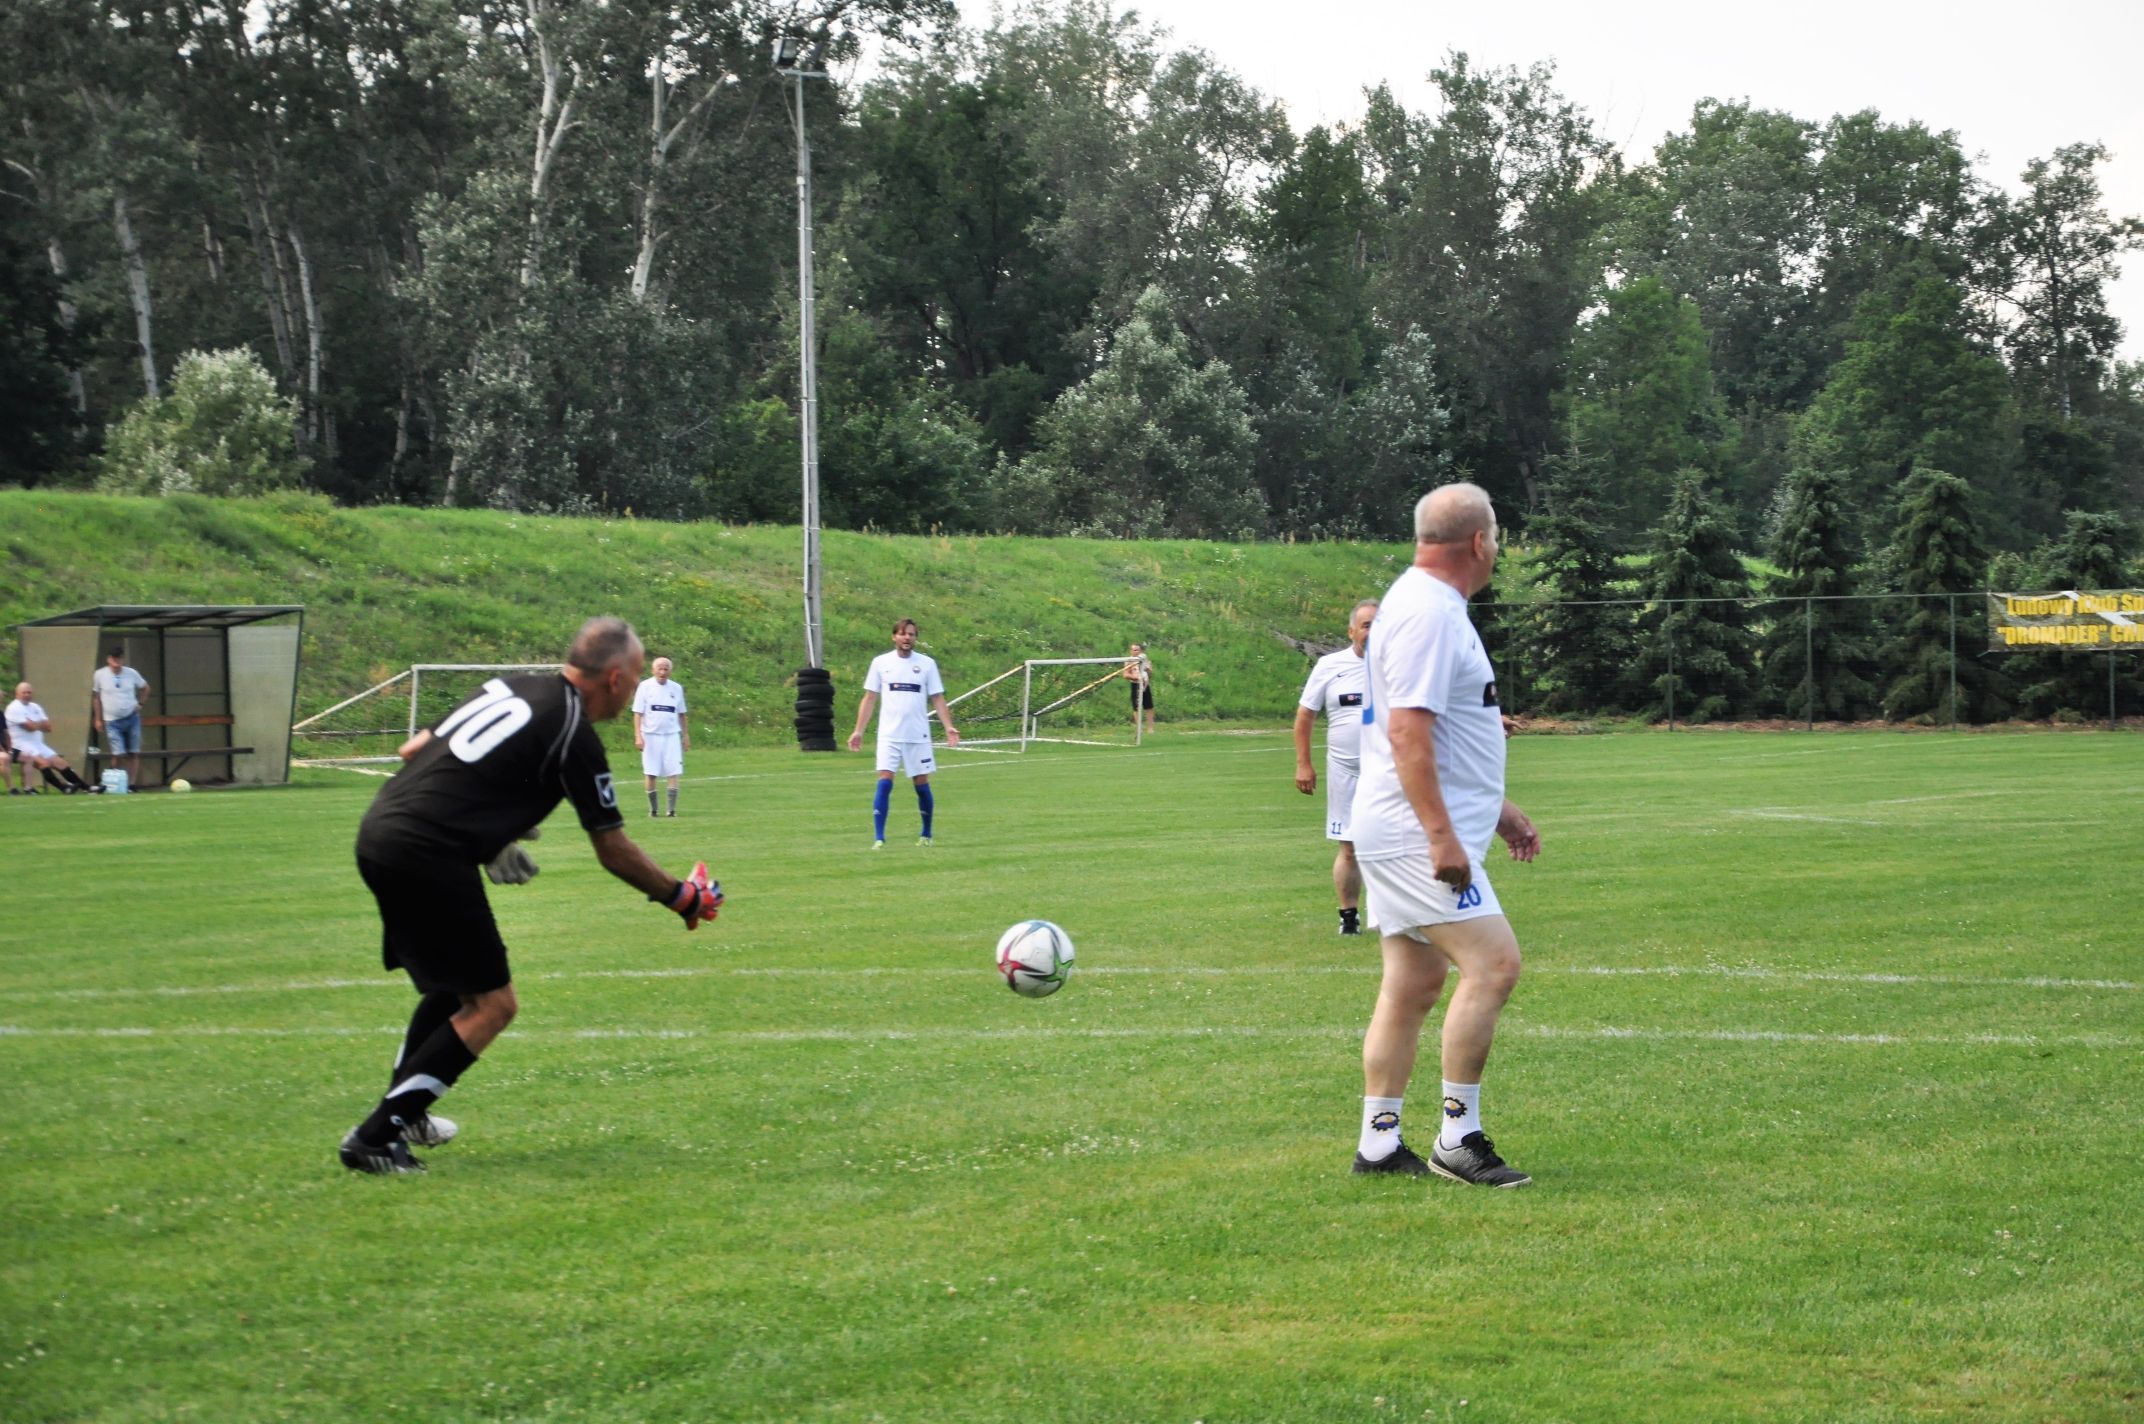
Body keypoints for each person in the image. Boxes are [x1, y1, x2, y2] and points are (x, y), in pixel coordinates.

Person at [339, 617, 723, 1175]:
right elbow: (613, 849)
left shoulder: (510, 684)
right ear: (615, 678)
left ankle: (409, 1114)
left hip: (381, 830)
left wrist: (485, 832)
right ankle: (373, 1140)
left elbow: (412, 748)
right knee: (494, 1005)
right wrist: (681, 898)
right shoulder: (574, 731)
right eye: (638, 677)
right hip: (428, 852)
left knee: (456, 987)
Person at [1348, 483, 1542, 1188]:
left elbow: (1450, 737)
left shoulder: (1418, 602)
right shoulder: (1430, 612)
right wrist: (1441, 837)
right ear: (1481, 542)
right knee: (1493, 966)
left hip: (1404, 823)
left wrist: (1499, 809)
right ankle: (1458, 1138)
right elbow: (1408, 731)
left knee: (1413, 982)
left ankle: (1378, 1143)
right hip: (1412, 832)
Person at [1294, 600, 1379, 936]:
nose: (1374, 631)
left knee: (1399, 842)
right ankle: (1349, 917)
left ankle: (1398, 914)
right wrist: (1304, 764)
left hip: (1392, 770)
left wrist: (1489, 720)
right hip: (1346, 770)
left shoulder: (1399, 665)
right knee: (1350, 845)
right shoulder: (1330, 666)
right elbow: (1305, 716)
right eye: (1367, 625)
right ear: (1352, 631)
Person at [847, 618, 960, 848]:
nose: (907, 638)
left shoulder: (927, 664)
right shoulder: (880, 663)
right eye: (902, 634)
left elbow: (937, 697)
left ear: (915, 638)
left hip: (917, 735)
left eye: (911, 634)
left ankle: (926, 834)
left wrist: (948, 726)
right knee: (885, 780)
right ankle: (879, 838)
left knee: (921, 783)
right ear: (894, 637)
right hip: (889, 734)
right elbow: (870, 698)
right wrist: (858, 730)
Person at [7, 684, 101, 794]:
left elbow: (48, 727)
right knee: (44, 763)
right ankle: (64, 788)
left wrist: (34, 724)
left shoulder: (35, 707)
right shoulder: (14, 708)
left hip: (37, 743)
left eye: (29, 692)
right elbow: (30, 727)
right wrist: (38, 724)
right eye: (24, 693)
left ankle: (87, 788)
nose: (27, 695)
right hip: (21, 745)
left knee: (61, 763)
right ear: (17, 694)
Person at [632, 656, 688, 818]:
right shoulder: (645, 687)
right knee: (651, 772)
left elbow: (682, 714)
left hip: (671, 735)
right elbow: (638, 713)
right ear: (653, 670)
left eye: (666, 669)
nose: (662, 672)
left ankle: (671, 810)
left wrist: (685, 735)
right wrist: (638, 736)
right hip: (650, 735)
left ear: (670, 671)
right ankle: (653, 810)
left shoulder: (676, 688)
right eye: (660, 669)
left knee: (673, 771)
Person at [91, 645, 152, 787]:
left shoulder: (131, 673)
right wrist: (98, 718)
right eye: (114, 658)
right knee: (118, 753)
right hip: (112, 720)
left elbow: (146, 688)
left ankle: (131, 784)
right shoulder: (100, 674)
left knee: (134, 752)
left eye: (119, 658)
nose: (117, 661)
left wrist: (140, 704)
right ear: (108, 659)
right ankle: (113, 779)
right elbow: (96, 697)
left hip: (131, 717)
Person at [1124, 642, 1156, 735]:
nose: (1135, 652)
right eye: (1133, 650)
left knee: (1149, 706)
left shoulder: (1145, 660)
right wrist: (1136, 678)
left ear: (1140, 651)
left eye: (1137, 650)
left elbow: (1150, 674)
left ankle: (1150, 728)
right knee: (1136, 707)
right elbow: (1125, 674)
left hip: (1145, 684)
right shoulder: (1129, 661)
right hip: (1135, 684)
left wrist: (1148, 670)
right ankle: (1139, 728)